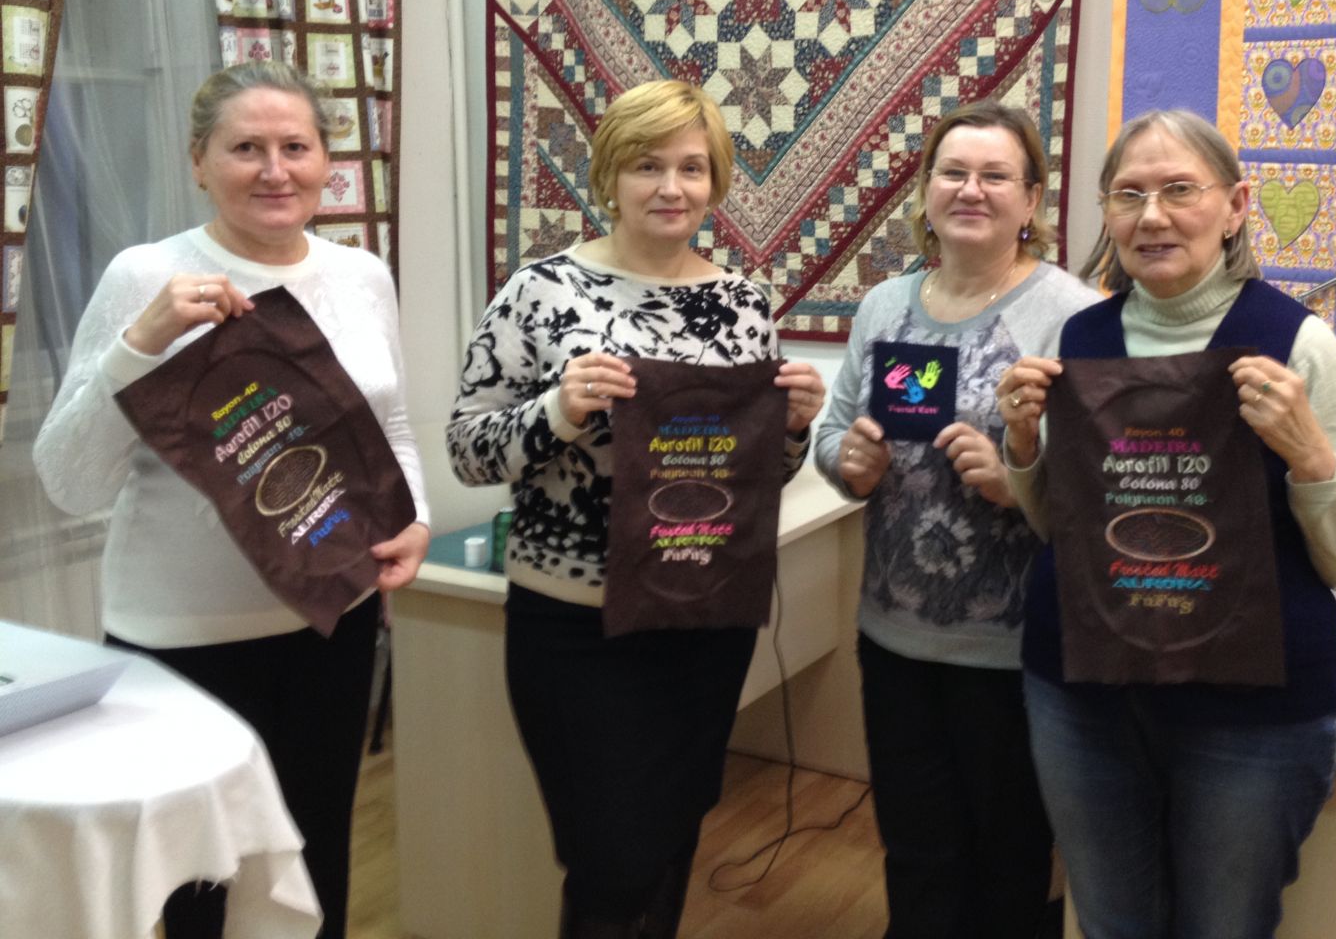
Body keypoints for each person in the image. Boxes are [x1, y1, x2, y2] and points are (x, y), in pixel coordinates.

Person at [34, 61, 430, 939]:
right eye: (246, 148)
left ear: (328, 161)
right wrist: (140, 344)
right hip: (182, 643)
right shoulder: (147, 275)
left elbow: (391, 425)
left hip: (330, 622)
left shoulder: (362, 274)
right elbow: (67, 481)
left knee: (313, 864)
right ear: (198, 162)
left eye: (296, 147)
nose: (274, 170)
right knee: (195, 890)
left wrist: (415, 519)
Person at [998, 108, 1336, 939]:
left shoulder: (1295, 343)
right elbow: (1064, 533)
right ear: (1108, 214)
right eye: (1129, 195)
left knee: (1225, 925)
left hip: (1248, 710)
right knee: (1112, 921)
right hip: (1085, 691)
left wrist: (1311, 457)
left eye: (1180, 190)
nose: (1152, 216)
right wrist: (1023, 445)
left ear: (1235, 205)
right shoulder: (1082, 337)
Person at [445, 79, 825, 939]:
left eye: (693, 167)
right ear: (609, 175)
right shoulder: (541, 293)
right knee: (611, 858)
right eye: (648, 165)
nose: (671, 187)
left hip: (704, 615)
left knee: (673, 833)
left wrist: (795, 427)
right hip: (578, 624)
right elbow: (467, 451)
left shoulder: (744, 302)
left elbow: (760, 473)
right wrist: (558, 409)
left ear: (716, 181)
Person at [815, 101, 1099, 938]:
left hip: (1013, 651)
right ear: (927, 191)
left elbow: (1104, 486)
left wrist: (1020, 481)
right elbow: (833, 434)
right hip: (893, 636)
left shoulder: (1075, 316)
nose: (971, 190)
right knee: (916, 851)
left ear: (1032, 200)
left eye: (995, 176)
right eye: (954, 172)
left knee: (1009, 859)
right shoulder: (884, 306)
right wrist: (847, 463)